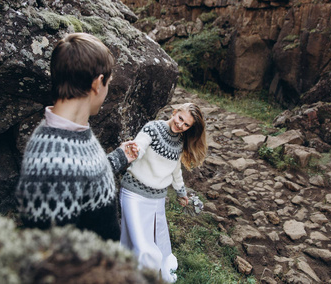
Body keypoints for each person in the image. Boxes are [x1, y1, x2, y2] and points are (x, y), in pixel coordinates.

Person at [15, 33, 138, 241]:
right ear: (98, 84)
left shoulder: (71, 133)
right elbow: (52, 254)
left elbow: (80, 177)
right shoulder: (52, 163)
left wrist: (119, 157)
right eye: (108, 82)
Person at [119, 103, 207, 283]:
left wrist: (182, 193)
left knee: (154, 239)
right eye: (180, 118)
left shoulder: (180, 141)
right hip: (134, 193)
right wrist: (136, 149)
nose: (180, 125)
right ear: (175, 112)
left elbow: (175, 171)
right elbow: (141, 143)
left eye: (186, 125)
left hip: (157, 199)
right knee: (143, 246)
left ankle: (130, 273)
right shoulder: (153, 128)